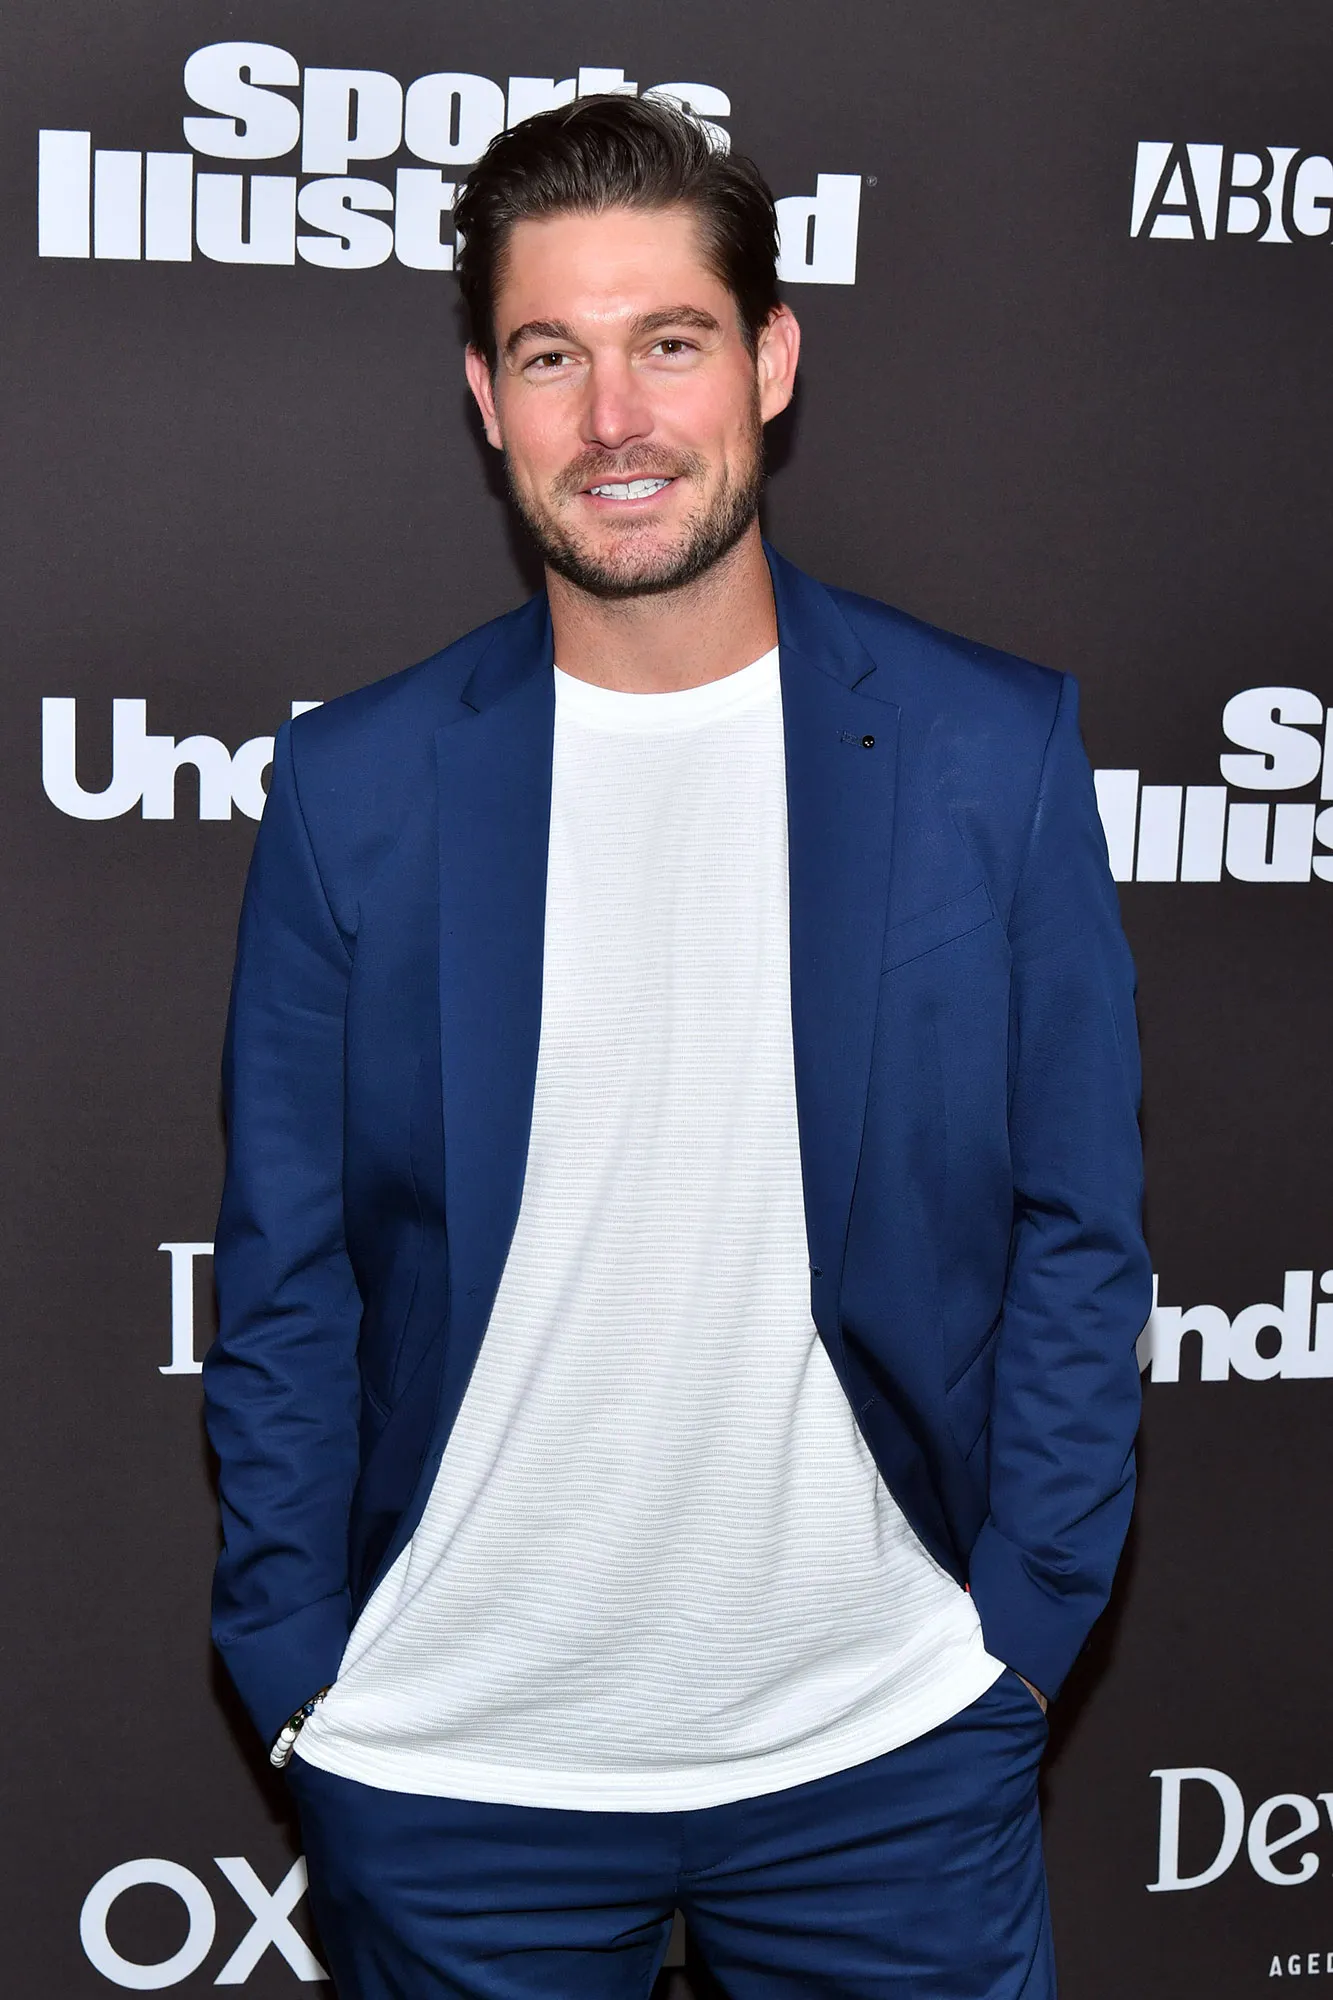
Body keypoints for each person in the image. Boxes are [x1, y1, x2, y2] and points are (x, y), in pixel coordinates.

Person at [204, 94, 1150, 2000]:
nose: (615, 419)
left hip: (891, 1752)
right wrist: (300, 1670)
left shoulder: (991, 751)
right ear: (487, 398)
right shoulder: (356, 787)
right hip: (452, 1763)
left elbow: (1080, 1227)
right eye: (554, 356)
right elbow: (287, 1275)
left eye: (671, 342)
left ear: (772, 362)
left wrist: (1019, 1639)